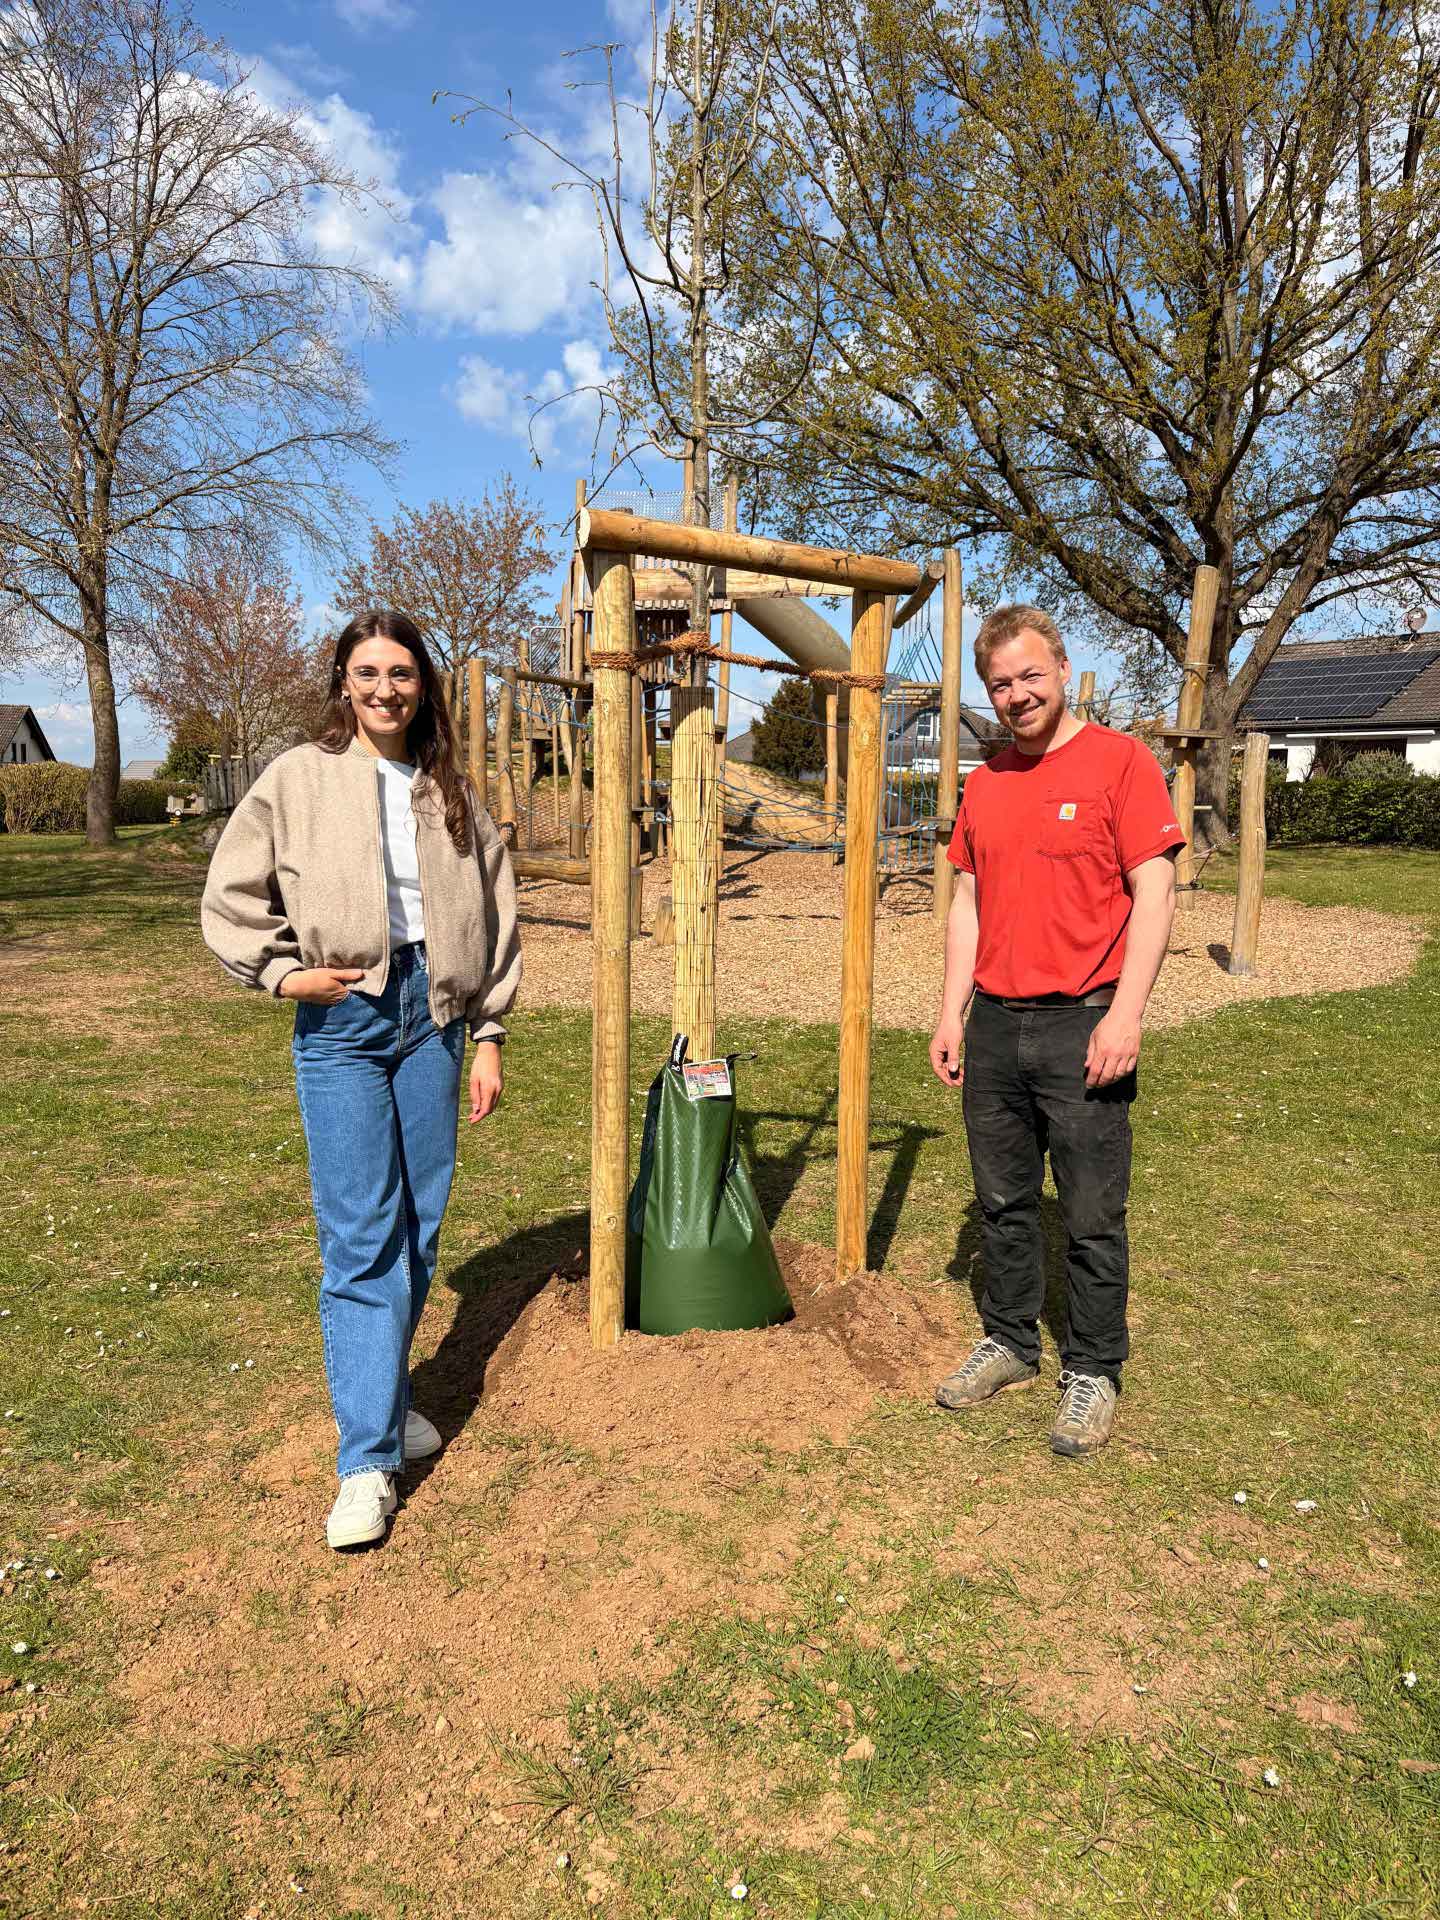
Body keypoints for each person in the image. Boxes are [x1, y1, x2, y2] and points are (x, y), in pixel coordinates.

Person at [201, 609, 522, 1546]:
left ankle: (382, 1394)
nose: (386, 689)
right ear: (343, 681)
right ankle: (367, 1463)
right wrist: (280, 969)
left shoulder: (449, 787)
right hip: (342, 1017)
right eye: (367, 672)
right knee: (359, 1236)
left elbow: (496, 915)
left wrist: (489, 1032)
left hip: (436, 1018)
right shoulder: (297, 778)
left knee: (419, 1224)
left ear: (425, 685)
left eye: (403, 673)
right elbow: (230, 894)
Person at [929, 607, 1181, 1457]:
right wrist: (950, 1009)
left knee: (1089, 1211)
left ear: (1063, 670)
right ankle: (1009, 1342)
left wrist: (1127, 1013)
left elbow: (1156, 891)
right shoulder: (985, 780)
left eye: (1029, 676)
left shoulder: (1121, 762)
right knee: (1002, 1201)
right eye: (1000, 684)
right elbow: (966, 901)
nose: (1016, 695)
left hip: (1084, 1021)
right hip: (997, 1025)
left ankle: (1094, 1370)